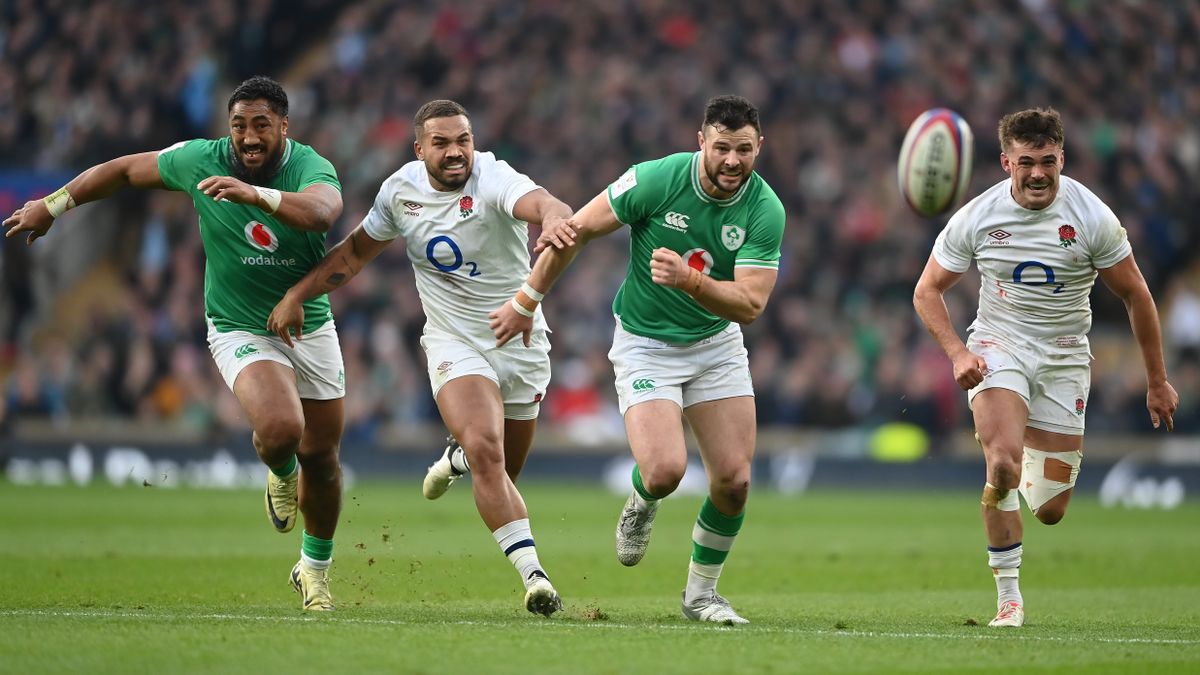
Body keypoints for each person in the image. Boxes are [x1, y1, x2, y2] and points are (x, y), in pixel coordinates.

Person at [4, 76, 348, 612]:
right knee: (282, 430)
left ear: (284, 126)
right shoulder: (197, 159)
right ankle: (280, 472)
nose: (249, 137)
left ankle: (314, 570)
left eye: (261, 125)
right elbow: (120, 171)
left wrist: (256, 194)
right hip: (238, 325)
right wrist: (54, 204)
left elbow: (323, 213)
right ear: (226, 128)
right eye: (239, 126)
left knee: (323, 460)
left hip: (309, 324)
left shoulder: (309, 165)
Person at [267, 99, 574, 617]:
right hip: (454, 342)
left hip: (520, 341)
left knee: (500, 469)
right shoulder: (400, 191)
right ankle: (535, 578)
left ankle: (455, 459)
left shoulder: (493, 176)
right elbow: (352, 254)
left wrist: (555, 218)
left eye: (464, 141)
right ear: (419, 148)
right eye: (442, 143)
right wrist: (298, 293)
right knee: (486, 449)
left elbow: (545, 203)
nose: (457, 152)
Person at [492, 95, 786, 624]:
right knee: (666, 468)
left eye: (744, 150)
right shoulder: (655, 179)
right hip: (646, 343)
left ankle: (701, 596)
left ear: (759, 146)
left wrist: (690, 280)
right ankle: (643, 500)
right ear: (701, 142)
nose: (732, 161)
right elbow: (574, 232)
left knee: (735, 482)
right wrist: (525, 301)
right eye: (722, 148)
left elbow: (752, 304)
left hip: (716, 346)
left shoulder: (765, 208)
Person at [912, 107, 1179, 628]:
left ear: (1063, 158)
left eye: (1048, 162)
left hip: (1064, 355)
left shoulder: (1092, 217)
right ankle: (1009, 598)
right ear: (1005, 161)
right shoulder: (977, 216)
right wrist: (959, 353)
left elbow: (1137, 296)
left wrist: (1156, 380)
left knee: (1051, 509)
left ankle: (1017, 448)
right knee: (1004, 464)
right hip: (999, 344)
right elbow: (927, 291)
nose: (1038, 173)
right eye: (1026, 162)